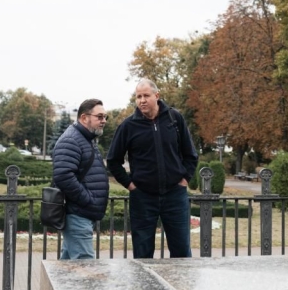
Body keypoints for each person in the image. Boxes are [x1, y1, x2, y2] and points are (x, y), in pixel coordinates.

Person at [106, 78, 198, 258]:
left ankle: (180, 286)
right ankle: (144, 287)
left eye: (146, 95)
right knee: (142, 253)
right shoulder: (128, 125)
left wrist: (184, 179)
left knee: (181, 252)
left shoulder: (174, 118)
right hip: (143, 197)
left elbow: (190, 155)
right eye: (138, 96)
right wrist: (131, 185)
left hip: (175, 195)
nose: (142, 100)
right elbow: (113, 160)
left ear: (157, 96)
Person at [52, 98, 110, 260]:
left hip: (82, 214)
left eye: (105, 117)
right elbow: (63, 176)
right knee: (85, 269)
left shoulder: (85, 139)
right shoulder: (72, 139)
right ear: (84, 118)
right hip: (78, 215)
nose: (104, 121)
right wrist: (88, 200)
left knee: (68, 269)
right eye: (99, 117)